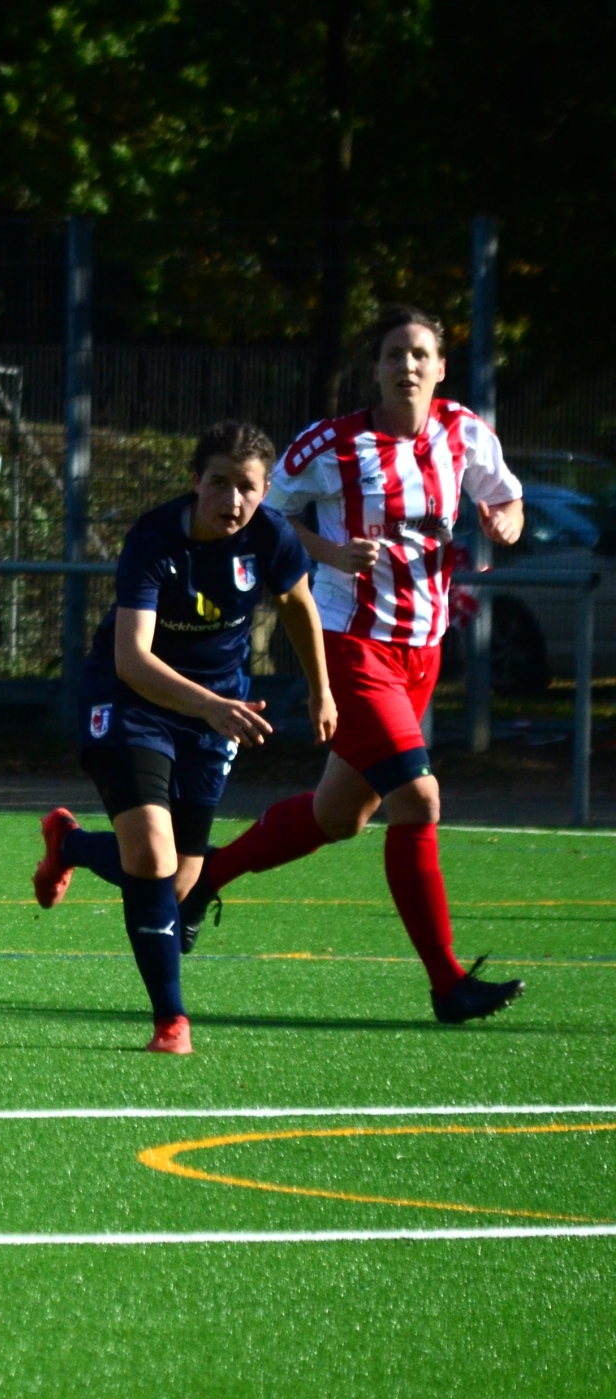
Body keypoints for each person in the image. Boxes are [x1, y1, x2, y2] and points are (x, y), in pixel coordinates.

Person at [177, 306, 529, 1024]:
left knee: (338, 816)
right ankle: (448, 983)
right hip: (351, 644)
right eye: (394, 354)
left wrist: (505, 522)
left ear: (440, 368)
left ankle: (205, 876)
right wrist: (330, 552)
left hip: (422, 650)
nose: (407, 365)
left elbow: (509, 499)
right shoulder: (332, 443)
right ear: (376, 369)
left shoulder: (464, 432)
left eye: (420, 354)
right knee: (418, 799)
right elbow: (265, 515)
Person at [31, 422, 332, 1054]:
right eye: (218, 483)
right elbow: (132, 659)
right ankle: (172, 1021)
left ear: (265, 492)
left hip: (212, 711)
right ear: (195, 482)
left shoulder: (272, 536)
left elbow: (299, 605)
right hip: (130, 701)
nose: (232, 499)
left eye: (247, 487)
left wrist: (321, 690)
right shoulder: (155, 537)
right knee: (150, 854)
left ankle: (71, 845)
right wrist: (212, 706)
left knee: (176, 885)